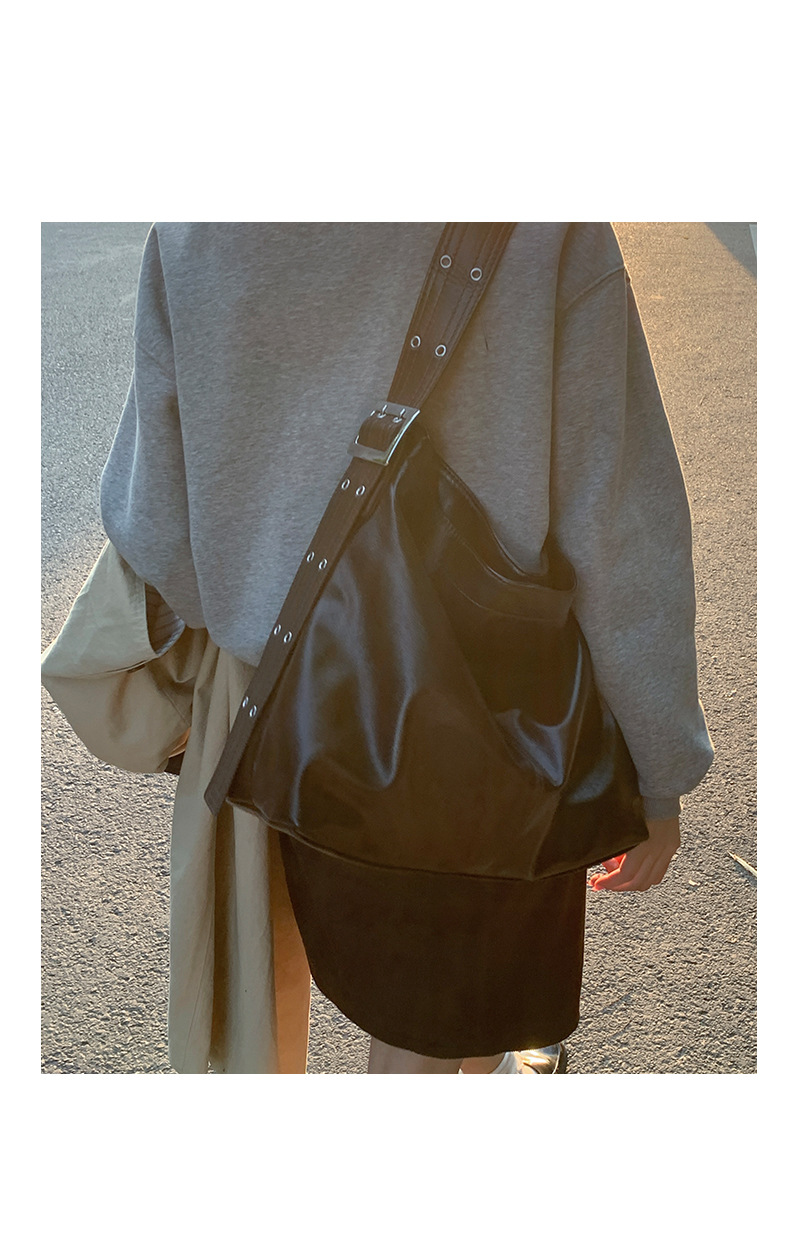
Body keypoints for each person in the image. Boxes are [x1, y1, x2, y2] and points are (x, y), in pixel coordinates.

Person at [83, 222, 712, 1075]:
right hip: (481, 712)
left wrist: (264, 596)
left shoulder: (200, 225)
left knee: (289, 1003)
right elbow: (620, 527)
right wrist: (658, 768)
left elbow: (154, 521)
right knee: (437, 1033)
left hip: (273, 706)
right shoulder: (547, 228)